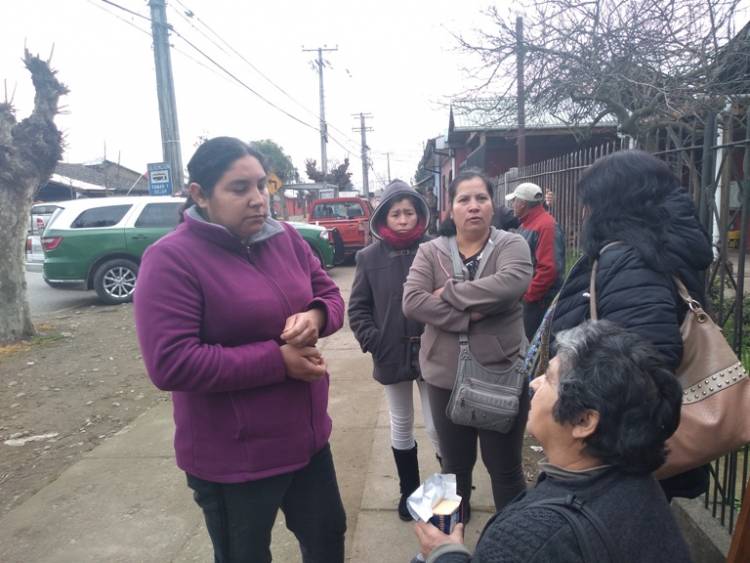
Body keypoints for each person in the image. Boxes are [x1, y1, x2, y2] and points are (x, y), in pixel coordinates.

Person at [133, 137, 347, 563]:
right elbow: (171, 363)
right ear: (200, 195)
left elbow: (330, 295)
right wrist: (277, 361)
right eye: (238, 189)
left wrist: (317, 316)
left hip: (306, 440)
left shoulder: (284, 238)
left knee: (327, 539)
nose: (258, 200)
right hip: (235, 457)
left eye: (262, 185)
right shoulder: (171, 260)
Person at [414, 321, 691, 563]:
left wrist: (443, 553)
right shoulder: (640, 487)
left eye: (548, 378)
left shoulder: (531, 539)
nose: (533, 384)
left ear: (584, 421)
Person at [550, 149, 713, 501]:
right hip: (623, 442)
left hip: (618, 450)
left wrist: (576, 391)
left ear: (615, 202)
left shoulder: (631, 260)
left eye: (590, 202)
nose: (585, 212)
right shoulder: (646, 250)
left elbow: (644, 362)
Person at [402, 169, 533, 522]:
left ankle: (514, 542)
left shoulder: (512, 245)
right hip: (444, 376)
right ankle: (448, 543)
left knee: (504, 467)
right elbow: (413, 302)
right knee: (454, 467)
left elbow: (511, 284)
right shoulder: (430, 251)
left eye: (481, 198)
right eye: (464, 199)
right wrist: (468, 316)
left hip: (500, 373)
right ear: (451, 207)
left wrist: (448, 294)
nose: (473, 206)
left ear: (493, 204)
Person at [348, 179, 441, 521]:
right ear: (384, 218)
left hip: (434, 353)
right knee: (401, 423)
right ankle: (409, 494)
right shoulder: (368, 257)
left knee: (437, 427)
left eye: (409, 212)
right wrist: (376, 341)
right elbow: (357, 308)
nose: (403, 219)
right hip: (391, 355)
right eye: (395, 213)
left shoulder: (435, 249)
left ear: (419, 215)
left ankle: (450, 493)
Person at [506, 182, 565, 340]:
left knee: (534, 347)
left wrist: (527, 296)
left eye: (514, 201)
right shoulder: (529, 223)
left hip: (539, 303)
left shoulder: (545, 226)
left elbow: (549, 269)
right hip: (532, 300)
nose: (512, 205)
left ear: (523, 204)